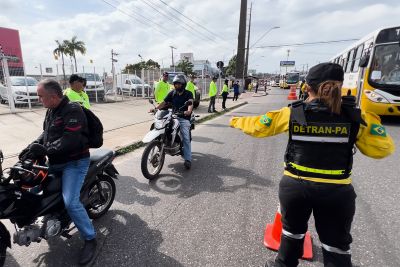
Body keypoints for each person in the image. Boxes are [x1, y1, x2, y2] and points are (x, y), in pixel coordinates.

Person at [230, 63, 395, 267]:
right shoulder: (356, 117)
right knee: (336, 248)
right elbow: (382, 149)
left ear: (307, 88)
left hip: (295, 189)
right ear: (341, 87)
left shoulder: (292, 113)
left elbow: (258, 127)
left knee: (291, 237)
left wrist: (236, 121)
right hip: (337, 192)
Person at [34, 79, 97, 265]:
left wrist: (45, 150)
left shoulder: (73, 110)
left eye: (40, 96)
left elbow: (70, 140)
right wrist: (32, 147)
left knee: (71, 202)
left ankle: (90, 238)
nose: (39, 100)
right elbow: (45, 134)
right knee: (32, 187)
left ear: (53, 97)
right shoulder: (51, 110)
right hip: (56, 161)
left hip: (75, 163)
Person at [153, 75, 194, 169]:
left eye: (179, 84)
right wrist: (155, 109)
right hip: (173, 115)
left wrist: (189, 111)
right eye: (175, 84)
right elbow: (164, 102)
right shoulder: (172, 93)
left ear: (183, 84)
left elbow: (190, 103)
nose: (176, 86)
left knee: (186, 137)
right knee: (162, 128)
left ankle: (188, 159)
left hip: (183, 118)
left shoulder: (188, 93)